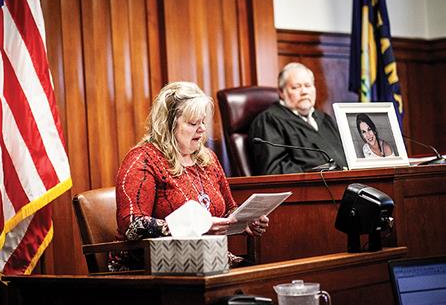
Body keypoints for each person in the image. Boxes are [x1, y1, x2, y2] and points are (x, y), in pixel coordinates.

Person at [109, 81, 269, 272]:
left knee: (259, 280)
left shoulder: (207, 158)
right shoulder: (142, 159)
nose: (202, 129)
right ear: (168, 124)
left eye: (203, 122)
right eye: (193, 123)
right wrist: (198, 225)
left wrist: (245, 222)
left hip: (205, 259)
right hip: (147, 265)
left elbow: (228, 210)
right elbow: (132, 225)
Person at [248, 62, 347, 174]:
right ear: (281, 92)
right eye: (296, 87)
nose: (304, 92)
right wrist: (317, 173)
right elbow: (274, 170)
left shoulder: (325, 119)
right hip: (310, 188)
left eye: (308, 86)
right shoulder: (269, 120)